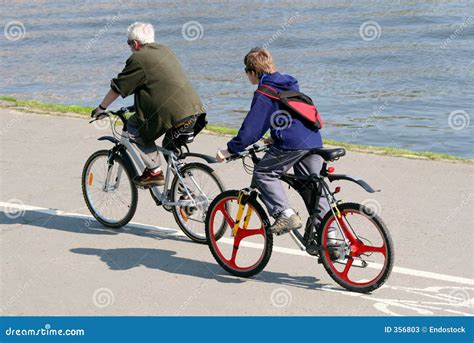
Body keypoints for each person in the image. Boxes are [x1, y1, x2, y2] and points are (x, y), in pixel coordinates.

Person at [216, 47, 330, 236]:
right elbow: (292, 115)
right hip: (313, 139)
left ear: (252, 72)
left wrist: (230, 150)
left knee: (263, 174)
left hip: (292, 144)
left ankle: (285, 214)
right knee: (313, 189)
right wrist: (276, 135)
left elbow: (251, 130)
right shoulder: (289, 84)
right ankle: (331, 238)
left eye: (246, 72)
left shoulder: (264, 92)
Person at [91, 22, 206, 187]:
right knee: (169, 149)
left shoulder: (138, 58)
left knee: (133, 126)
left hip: (176, 116)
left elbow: (118, 87)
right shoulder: (164, 49)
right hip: (194, 112)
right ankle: (187, 191)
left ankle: (154, 171)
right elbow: (158, 85)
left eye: (129, 44)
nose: (130, 48)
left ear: (135, 43)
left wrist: (101, 108)